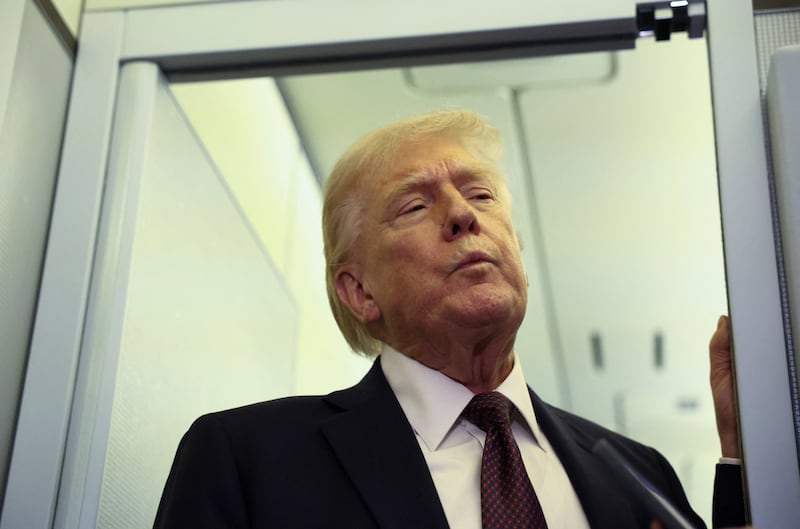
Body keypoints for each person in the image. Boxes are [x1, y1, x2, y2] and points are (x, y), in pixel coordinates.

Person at [153, 110, 745, 529]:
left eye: (482, 196)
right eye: (415, 205)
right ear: (359, 291)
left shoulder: (635, 473)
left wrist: (749, 455)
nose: (463, 214)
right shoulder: (248, 459)